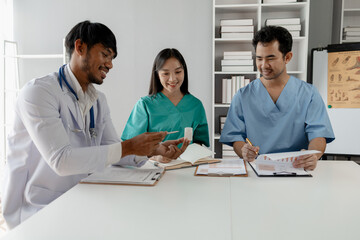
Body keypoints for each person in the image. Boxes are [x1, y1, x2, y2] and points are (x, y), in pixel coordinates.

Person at [1, 21, 184, 229]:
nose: (110, 64)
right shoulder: (38, 93)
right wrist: (129, 147)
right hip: (37, 209)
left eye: (112, 58)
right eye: (105, 54)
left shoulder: (97, 100)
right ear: (80, 47)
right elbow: (61, 161)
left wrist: (156, 149)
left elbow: (116, 150)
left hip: (80, 199)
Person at [220, 26, 335, 170]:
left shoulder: (309, 94)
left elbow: (319, 135)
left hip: (297, 169)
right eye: (259, 58)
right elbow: (235, 136)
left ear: (287, 57)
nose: (263, 65)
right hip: (258, 170)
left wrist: (313, 156)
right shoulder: (243, 95)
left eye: (270, 58)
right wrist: (243, 150)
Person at [121, 48, 209, 161]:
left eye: (178, 72)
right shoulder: (145, 105)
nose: (172, 79)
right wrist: (156, 158)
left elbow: (199, 142)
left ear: (184, 71)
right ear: (157, 74)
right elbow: (130, 147)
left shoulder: (196, 105)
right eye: (166, 73)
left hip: (186, 167)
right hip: (152, 169)